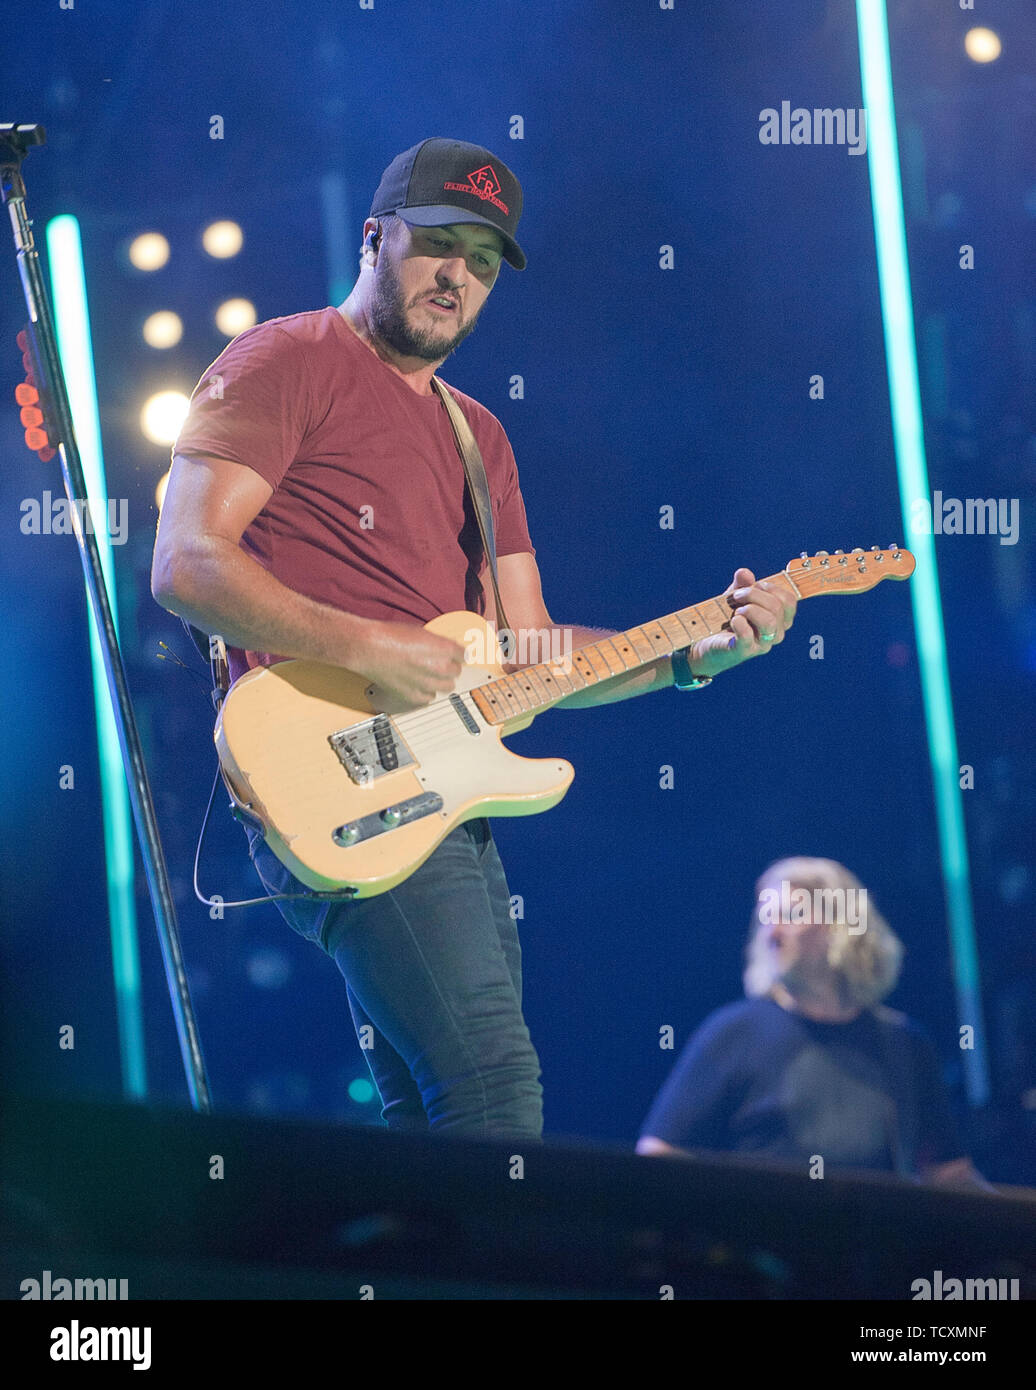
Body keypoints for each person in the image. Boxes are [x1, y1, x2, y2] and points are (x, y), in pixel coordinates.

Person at [150, 137, 796, 1140]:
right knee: (493, 1083)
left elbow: (529, 654)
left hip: (444, 789)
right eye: (439, 244)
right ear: (375, 238)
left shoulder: (477, 433)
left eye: (484, 261)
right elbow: (185, 566)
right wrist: (371, 648)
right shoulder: (286, 359)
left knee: (431, 1112)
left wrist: (694, 651)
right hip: (333, 767)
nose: (458, 274)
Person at [636, 857, 992, 1187]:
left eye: (788, 915)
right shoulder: (733, 1033)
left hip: (870, 1251)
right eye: (765, 918)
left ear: (843, 926)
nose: (771, 934)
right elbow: (659, 1157)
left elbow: (948, 1174)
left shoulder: (905, 1045)